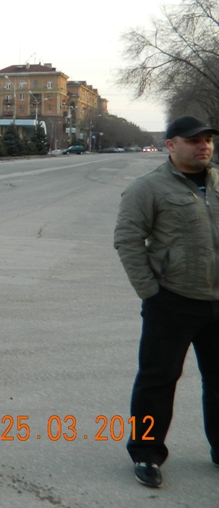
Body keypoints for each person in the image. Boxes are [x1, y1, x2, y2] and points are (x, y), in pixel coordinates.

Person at [114, 115, 219, 489]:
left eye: (207, 140)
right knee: (157, 381)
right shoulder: (148, 188)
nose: (203, 146)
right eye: (193, 140)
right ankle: (146, 453)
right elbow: (128, 240)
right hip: (172, 301)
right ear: (171, 145)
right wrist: (151, 293)